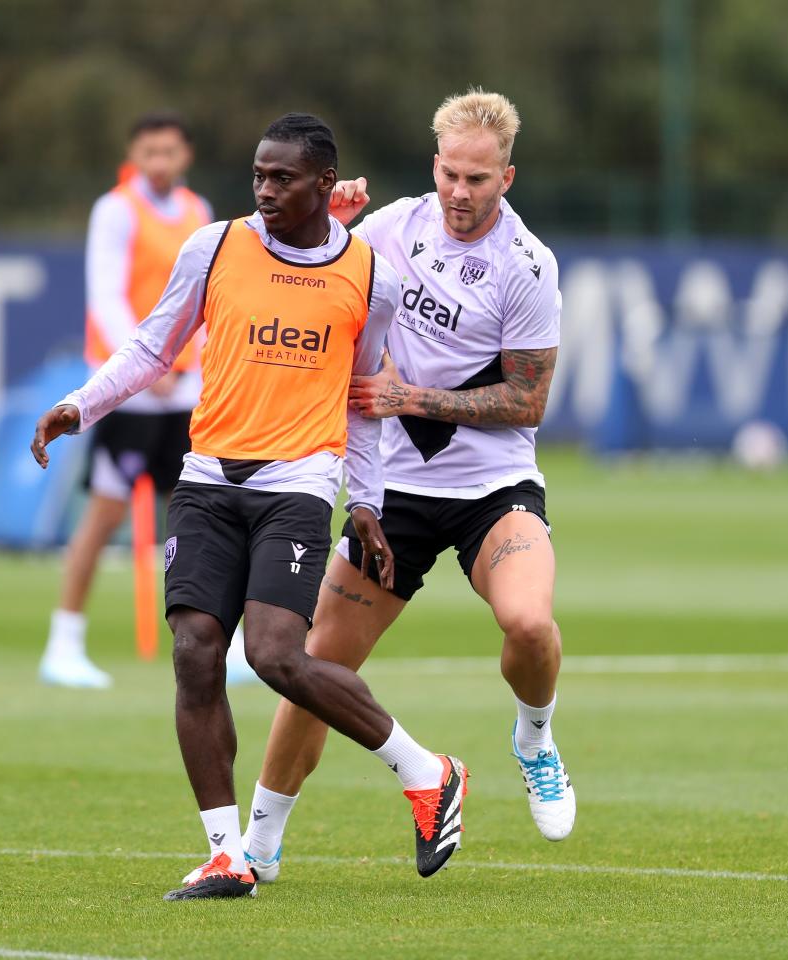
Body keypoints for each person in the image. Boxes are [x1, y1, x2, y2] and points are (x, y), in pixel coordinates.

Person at [32, 113, 466, 900]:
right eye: (258, 175)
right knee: (196, 652)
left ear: (325, 185)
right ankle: (227, 854)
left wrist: (364, 500)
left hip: (296, 486)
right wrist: (80, 406)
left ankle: (428, 772)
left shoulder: (373, 277)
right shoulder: (215, 247)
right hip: (206, 482)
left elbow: (365, 402)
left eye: (282, 178)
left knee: (273, 656)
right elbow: (152, 346)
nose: (264, 190)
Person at [241, 90, 572, 883]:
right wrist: (334, 222)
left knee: (528, 622)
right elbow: (298, 262)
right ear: (435, 168)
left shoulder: (526, 266)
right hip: (393, 492)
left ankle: (534, 736)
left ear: (508, 179)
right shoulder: (396, 226)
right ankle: (257, 847)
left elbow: (528, 400)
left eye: (480, 180)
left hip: (492, 487)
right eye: (452, 175)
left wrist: (410, 398)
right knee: (316, 665)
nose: (462, 193)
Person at [39, 112, 211, 689]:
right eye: (148, 151)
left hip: (185, 389)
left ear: (184, 154)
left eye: (168, 150)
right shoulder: (115, 210)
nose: (158, 161)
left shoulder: (197, 211)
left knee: (195, 512)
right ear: (134, 155)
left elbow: (205, 302)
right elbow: (106, 295)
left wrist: (201, 364)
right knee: (107, 510)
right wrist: (142, 362)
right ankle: (64, 640)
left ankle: (220, 642)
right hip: (130, 390)